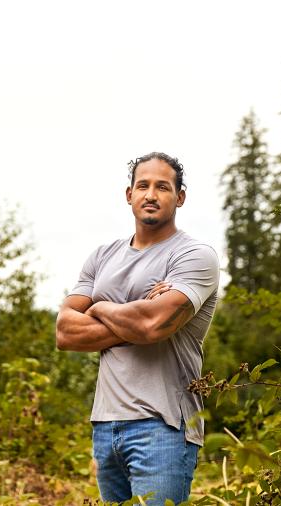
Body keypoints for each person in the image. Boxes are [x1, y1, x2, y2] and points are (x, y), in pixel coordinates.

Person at [56, 152, 219, 505]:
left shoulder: (194, 256)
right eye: (142, 185)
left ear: (180, 197)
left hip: (163, 427)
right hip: (105, 425)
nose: (151, 194)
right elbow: (65, 332)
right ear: (128, 194)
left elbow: (153, 323)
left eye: (163, 187)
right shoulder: (102, 256)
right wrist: (137, 316)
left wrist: (98, 308)